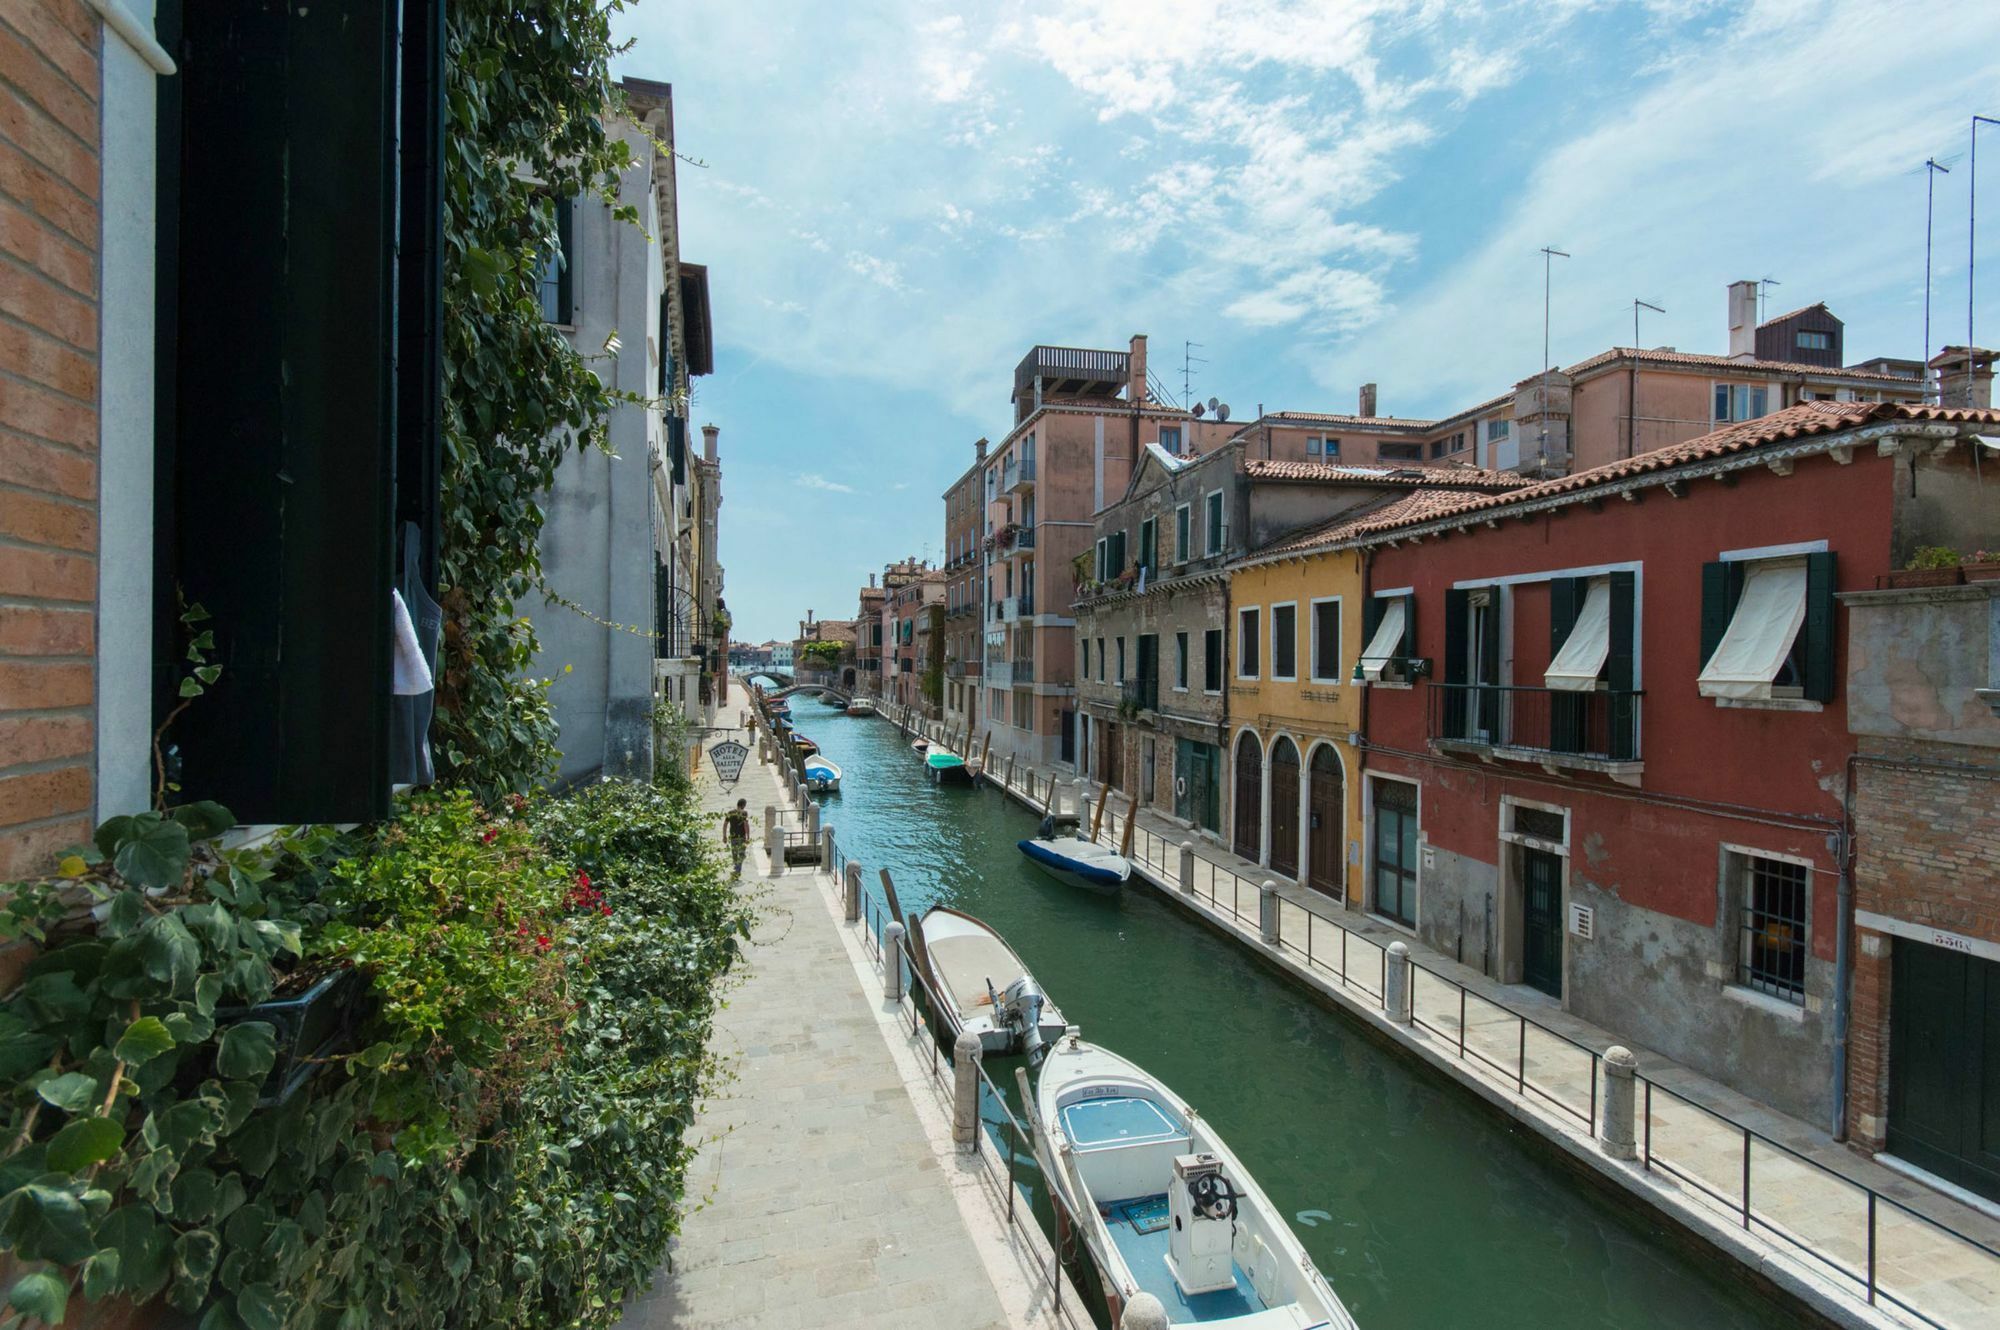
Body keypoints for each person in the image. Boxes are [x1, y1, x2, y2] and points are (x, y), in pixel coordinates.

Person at [723, 797, 751, 878]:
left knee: (734, 854)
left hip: (733, 837)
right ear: (743, 805)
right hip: (741, 837)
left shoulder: (730, 813)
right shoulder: (744, 813)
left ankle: (737, 869)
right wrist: (748, 836)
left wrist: (724, 836)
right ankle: (737, 870)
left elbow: (725, 825)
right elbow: (746, 825)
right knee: (741, 854)